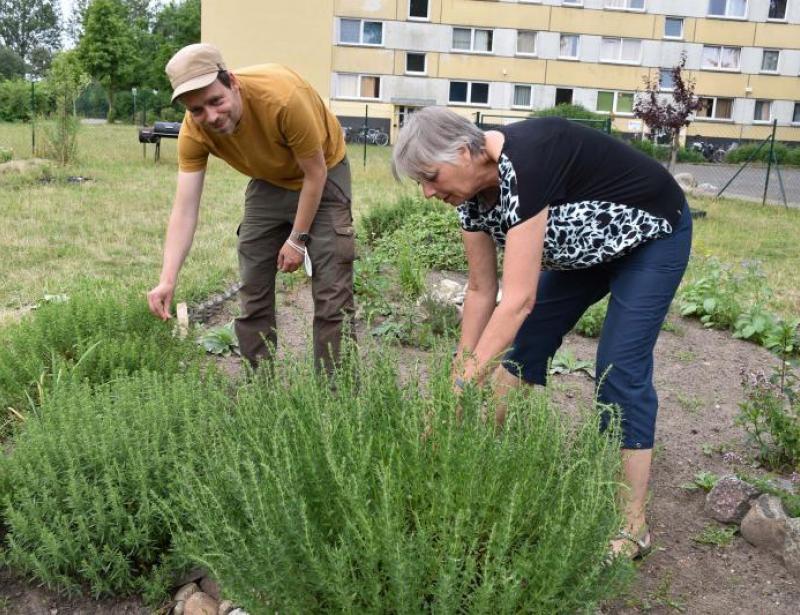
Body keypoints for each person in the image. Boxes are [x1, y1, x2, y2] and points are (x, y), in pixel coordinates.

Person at [392, 107, 692, 559]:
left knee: (617, 366)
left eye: (431, 176)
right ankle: (474, 466)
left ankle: (632, 528)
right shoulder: (470, 197)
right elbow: (480, 291)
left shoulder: (526, 162)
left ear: (462, 151)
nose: (428, 191)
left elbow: (517, 301)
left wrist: (460, 387)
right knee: (523, 347)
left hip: (651, 235)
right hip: (587, 251)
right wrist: (459, 372)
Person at [147, 43, 355, 372]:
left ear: (232, 82)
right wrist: (167, 278)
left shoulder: (284, 98)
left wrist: (296, 240)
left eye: (216, 101)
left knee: (332, 295)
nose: (211, 116)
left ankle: (337, 392)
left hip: (323, 173)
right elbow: (185, 208)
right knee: (253, 287)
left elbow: (315, 174)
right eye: (197, 109)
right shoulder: (194, 132)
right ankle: (259, 387)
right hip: (268, 181)